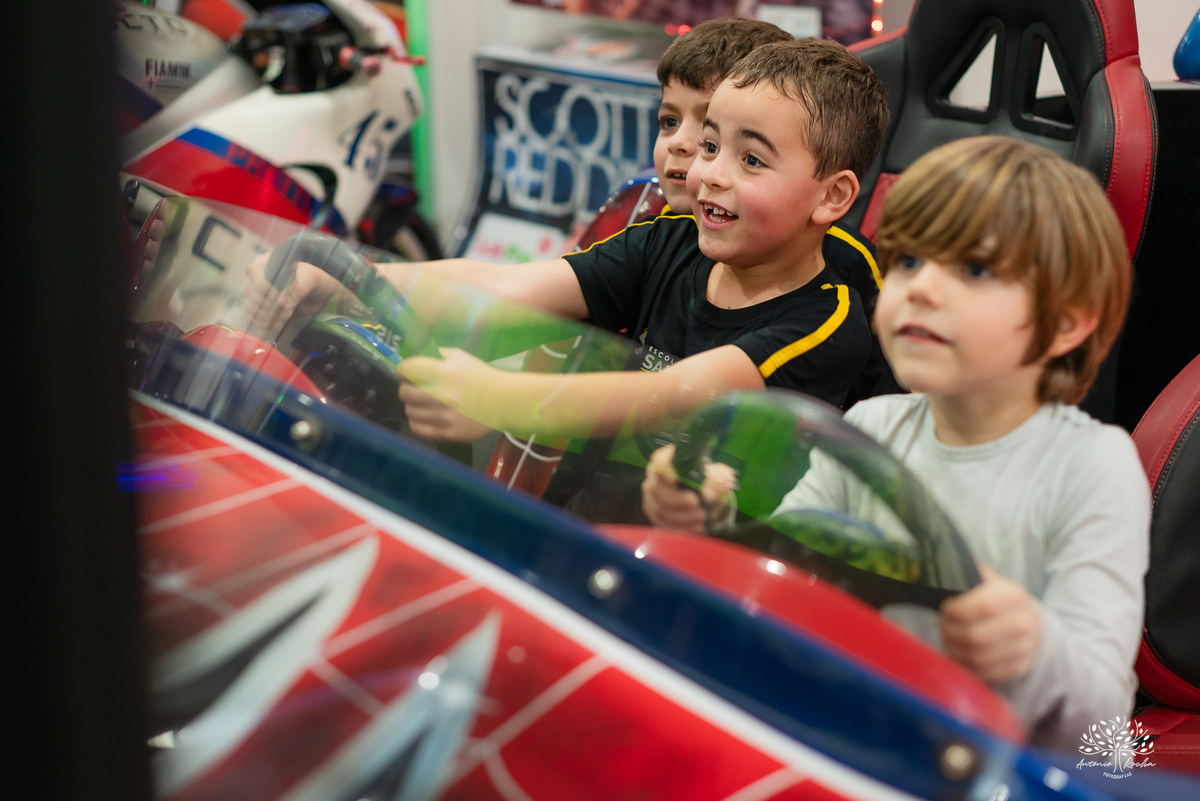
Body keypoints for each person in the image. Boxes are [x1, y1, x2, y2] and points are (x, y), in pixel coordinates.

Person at [641, 136, 1150, 749]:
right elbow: (785, 564)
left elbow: (1104, 729)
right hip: (859, 738)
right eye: (908, 262)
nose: (921, 290)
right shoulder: (873, 426)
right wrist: (712, 515)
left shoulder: (1092, 465)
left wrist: (1035, 647)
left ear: (1068, 320)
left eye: (975, 270)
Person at [247, 38, 890, 522]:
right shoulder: (668, 241)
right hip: (590, 526)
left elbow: (681, 392)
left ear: (831, 197)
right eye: (711, 146)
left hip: (714, 564)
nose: (709, 172)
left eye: (750, 159)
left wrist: (499, 398)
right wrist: (353, 278)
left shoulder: (827, 322)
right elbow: (503, 289)